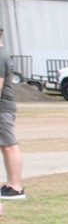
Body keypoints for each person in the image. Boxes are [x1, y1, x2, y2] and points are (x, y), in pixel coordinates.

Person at [0, 28, 23, 207]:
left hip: (2, 108)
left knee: (9, 145)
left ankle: (15, 187)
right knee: (7, 146)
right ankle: (10, 185)